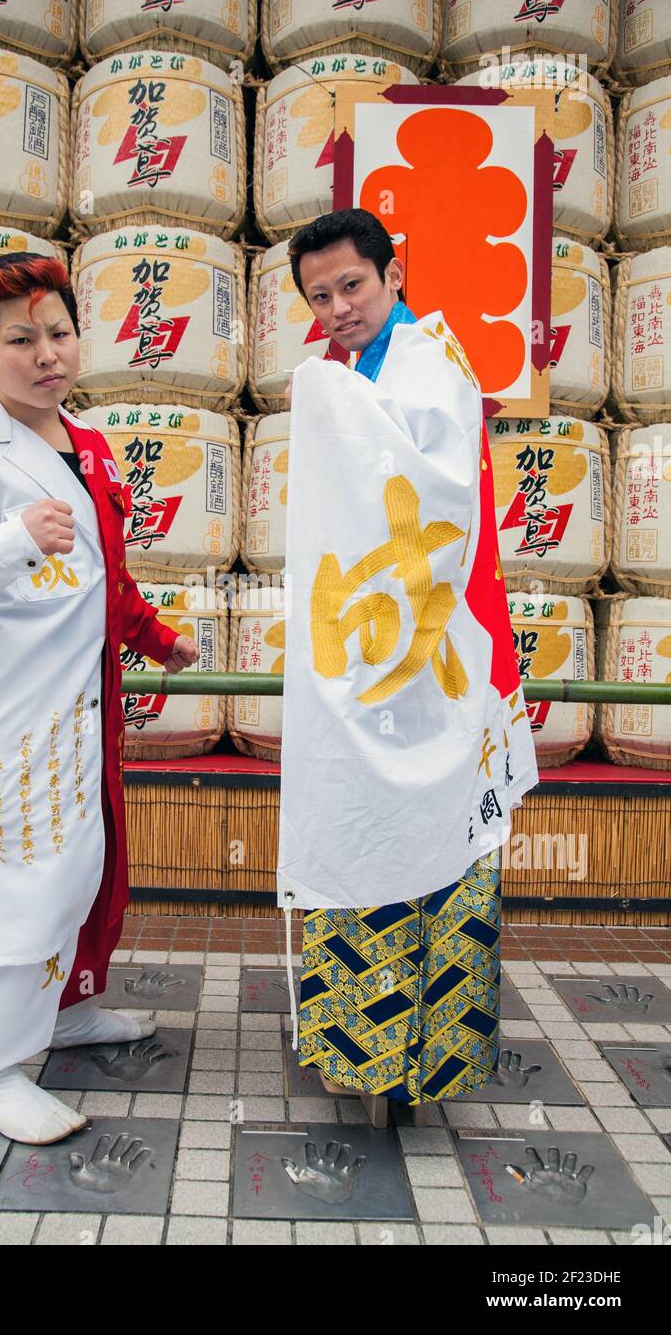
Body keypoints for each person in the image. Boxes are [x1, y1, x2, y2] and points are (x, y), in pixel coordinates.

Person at [0, 252, 198, 1145]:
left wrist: (153, 636)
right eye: (21, 339)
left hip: (85, 703)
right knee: (16, 878)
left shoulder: (88, 442)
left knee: (81, 867)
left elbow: (108, 575)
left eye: (59, 333)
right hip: (18, 715)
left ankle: (66, 1009)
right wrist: (12, 538)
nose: (46, 354)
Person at [284, 208, 520, 1127]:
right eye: (321, 296)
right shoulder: (348, 375)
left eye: (353, 285)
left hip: (433, 658)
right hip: (373, 657)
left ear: (393, 273)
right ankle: (367, 1052)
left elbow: (445, 500)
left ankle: (428, 1055)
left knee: (438, 847)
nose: (340, 307)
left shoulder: (429, 364)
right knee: (367, 836)